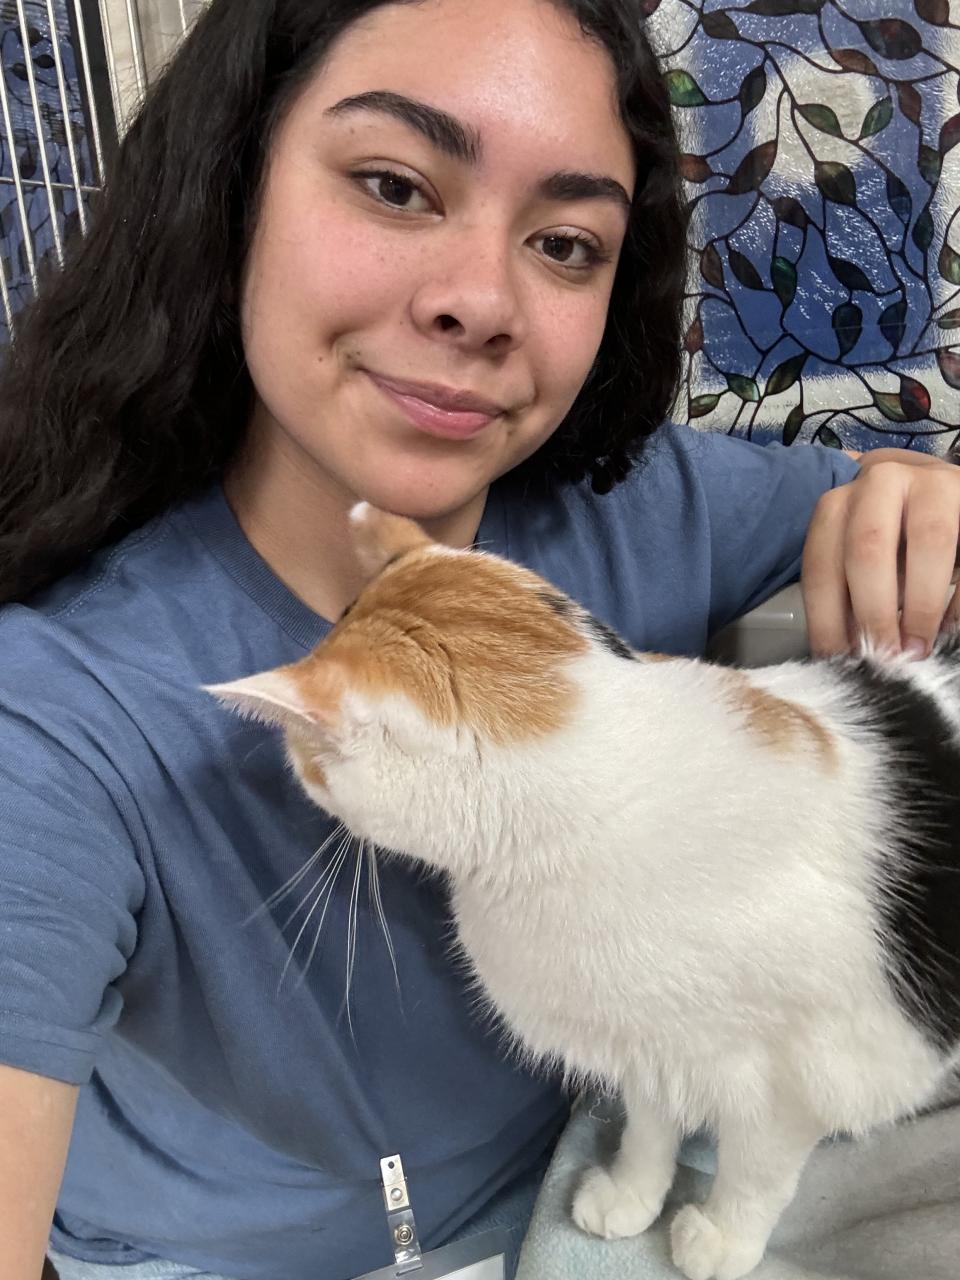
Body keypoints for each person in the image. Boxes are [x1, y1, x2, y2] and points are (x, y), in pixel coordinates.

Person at [1, 2, 958, 1279]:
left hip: (600, 1156)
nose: (480, 303)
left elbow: (886, 507)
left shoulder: (644, 504)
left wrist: (914, 495)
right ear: (233, 186)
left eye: (566, 243)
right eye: (395, 185)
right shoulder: (57, 719)